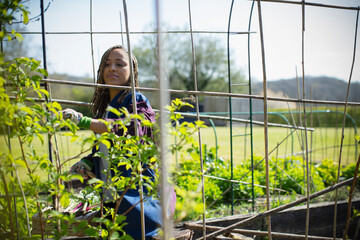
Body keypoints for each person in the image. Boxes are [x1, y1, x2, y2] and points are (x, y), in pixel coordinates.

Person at [62, 45, 174, 239]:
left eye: (120, 64)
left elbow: (128, 128)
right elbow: (106, 147)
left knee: (136, 232)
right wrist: (88, 162)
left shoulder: (136, 100)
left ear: (132, 72)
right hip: (113, 194)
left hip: (137, 195)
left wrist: (84, 121)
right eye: (107, 64)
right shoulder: (106, 108)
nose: (112, 68)